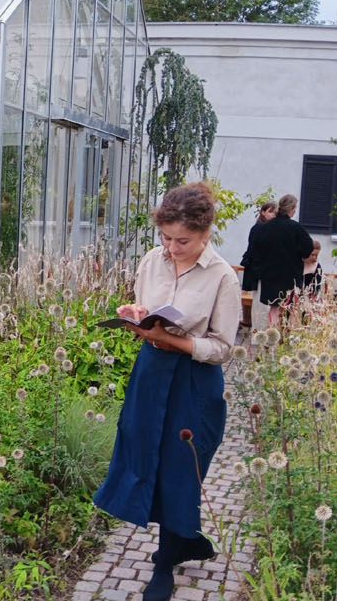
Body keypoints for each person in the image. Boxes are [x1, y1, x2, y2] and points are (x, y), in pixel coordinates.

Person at [94, 182, 240, 601]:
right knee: (144, 454)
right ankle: (185, 540)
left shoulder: (223, 277)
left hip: (194, 381)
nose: (172, 248)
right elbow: (147, 312)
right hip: (152, 372)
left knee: (181, 466)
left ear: (206, 233)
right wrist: (135, 316)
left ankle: (164, 562)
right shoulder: (152, 261)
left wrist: (175, 341)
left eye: (183, 240)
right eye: (165, 238)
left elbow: (223, 349)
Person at [240, 195, 316, 325]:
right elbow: (308, 248)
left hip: (270, 274)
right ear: (291, 209)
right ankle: (289, 339)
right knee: (291, 308)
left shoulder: (264, 228)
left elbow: (256, 249)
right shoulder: (295, 228)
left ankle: (272, 340)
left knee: (273, 309)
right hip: (291, 274)